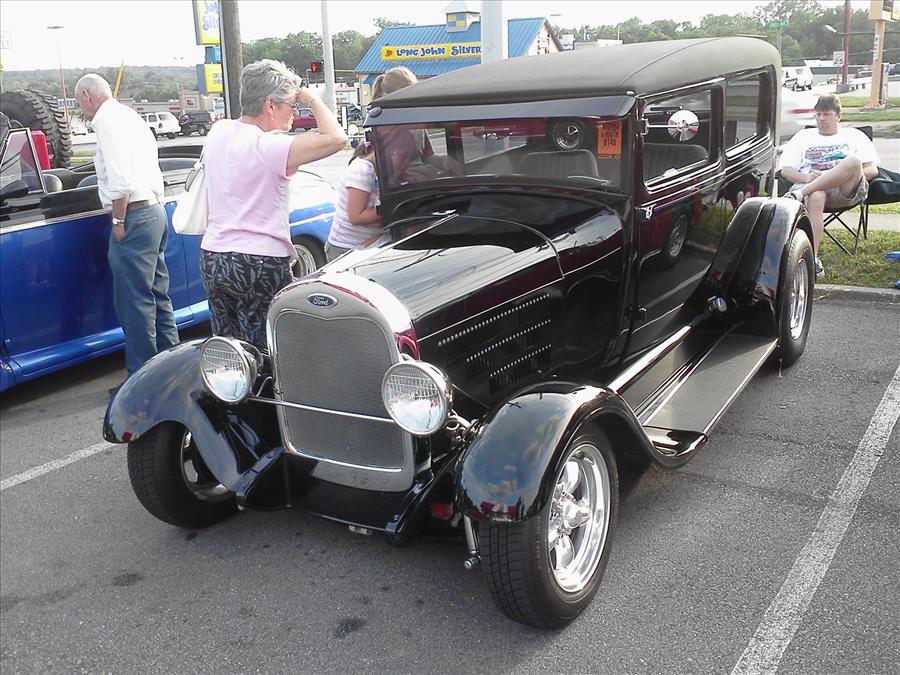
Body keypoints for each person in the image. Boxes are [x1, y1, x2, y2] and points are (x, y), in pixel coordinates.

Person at [200, 59, 346, 350]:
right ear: (270, 105)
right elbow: (336, 137)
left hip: (214, 256)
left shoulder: (218, 132)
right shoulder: (268, 146)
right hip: (258, 261)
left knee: (230, 351)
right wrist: (311, 98)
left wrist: (295, 95)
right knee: (269, 350)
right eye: (292, 105)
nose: (295, 112)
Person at [73, 74, 179, 386]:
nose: (81, 109)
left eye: (79, 102)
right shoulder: (129, 116)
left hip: (133, 216)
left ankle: (141, 382)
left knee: (134, 304)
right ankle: (172, 370)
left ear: (87, 95)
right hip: (154, 211)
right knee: (158, 296)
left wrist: (118, 222)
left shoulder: (106, 120)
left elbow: (120, 180)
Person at [779, 94, 879, 278]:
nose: (821, 119)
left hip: (844, 190)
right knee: (816, 194)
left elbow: (872, 170)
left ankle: (800, 193)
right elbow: (786, 171)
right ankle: (812, 259)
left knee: (853, 161)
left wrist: (839, 176)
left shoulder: (855, 136)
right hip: (810, 186)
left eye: (826, 114)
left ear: (838, 116)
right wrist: (807, 177)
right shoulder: (802, 137)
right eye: (818, 114)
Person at [325, 130, 418, 261]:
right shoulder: (362, 171)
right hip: (347, 247)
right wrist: (398, 209)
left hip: (369, 242)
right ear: (391, 151)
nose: (405, 164)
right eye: (405, 158)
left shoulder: (381, 169)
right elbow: (356, 217)